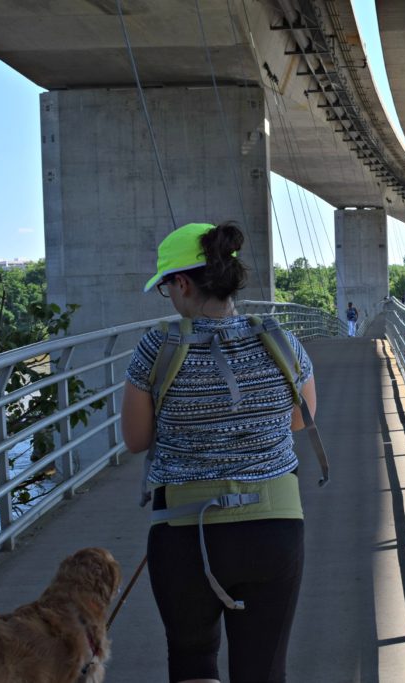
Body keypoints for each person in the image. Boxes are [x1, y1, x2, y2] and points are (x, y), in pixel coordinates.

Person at [121, 222, 316, 683]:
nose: (168, 296)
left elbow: (136, 438)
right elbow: (299, 420)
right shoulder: (282, 340)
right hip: (275, 528)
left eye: (166, 286)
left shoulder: (157, 347)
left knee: (193, 664)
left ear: (182, 283)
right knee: (264, 671)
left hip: (186, 534)